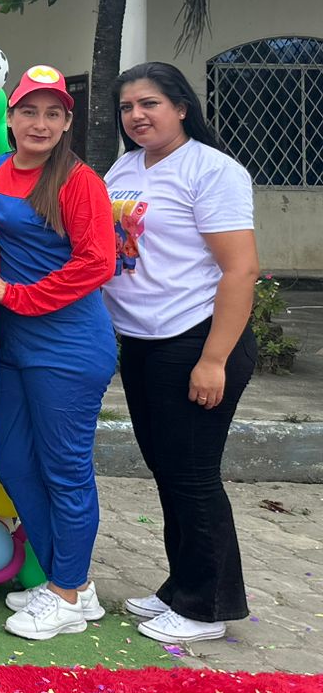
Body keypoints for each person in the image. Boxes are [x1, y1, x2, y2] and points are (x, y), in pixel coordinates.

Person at [103, 62, 258, 645]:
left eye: (150, 104)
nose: (137, 115)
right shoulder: (126, 168)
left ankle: (206, 605)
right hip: (142, 341)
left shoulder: (212, 170)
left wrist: (213, 360)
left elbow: (240, 270)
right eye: (127, 107)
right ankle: (182, 584)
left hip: (195, 338)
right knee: (167, 468)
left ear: (182, 107)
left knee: (192, 474)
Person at [0, 66, 115, 640]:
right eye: (29, 110)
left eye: (54, 113)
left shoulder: (78, 181)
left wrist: (18, 296)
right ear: (9, 115)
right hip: (9, 343)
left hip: (67, 345)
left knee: (65, 470)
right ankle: (70, 581)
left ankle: (67, 591)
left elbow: (97, 263)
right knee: (11, 463)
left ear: (67, 123)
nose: (40, 123)